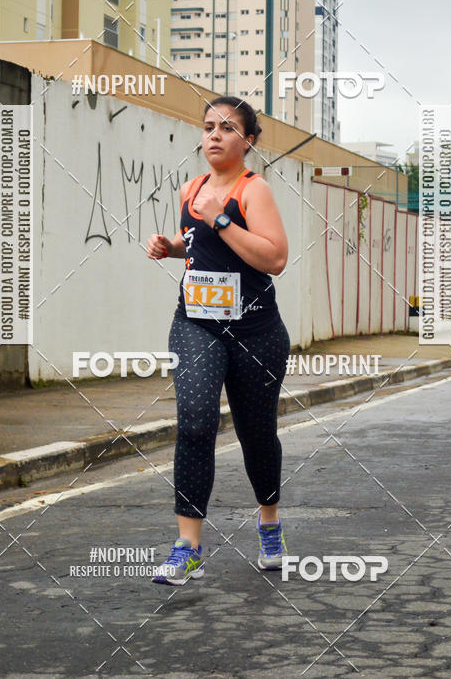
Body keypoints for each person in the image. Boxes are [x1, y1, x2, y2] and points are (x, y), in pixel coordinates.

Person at [146, 96, 291, 586]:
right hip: (197, 324)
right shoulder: (192, 188)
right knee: (195, 423)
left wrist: (221, 218)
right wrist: (173, 247)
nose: (213, 135)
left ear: (247, 141)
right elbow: (201, 243)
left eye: (227, 128)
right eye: (208, 127)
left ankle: (269, 524)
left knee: (256, 435)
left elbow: (274, 259)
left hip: (256, 332)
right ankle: (188, 546)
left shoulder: (255, 191)